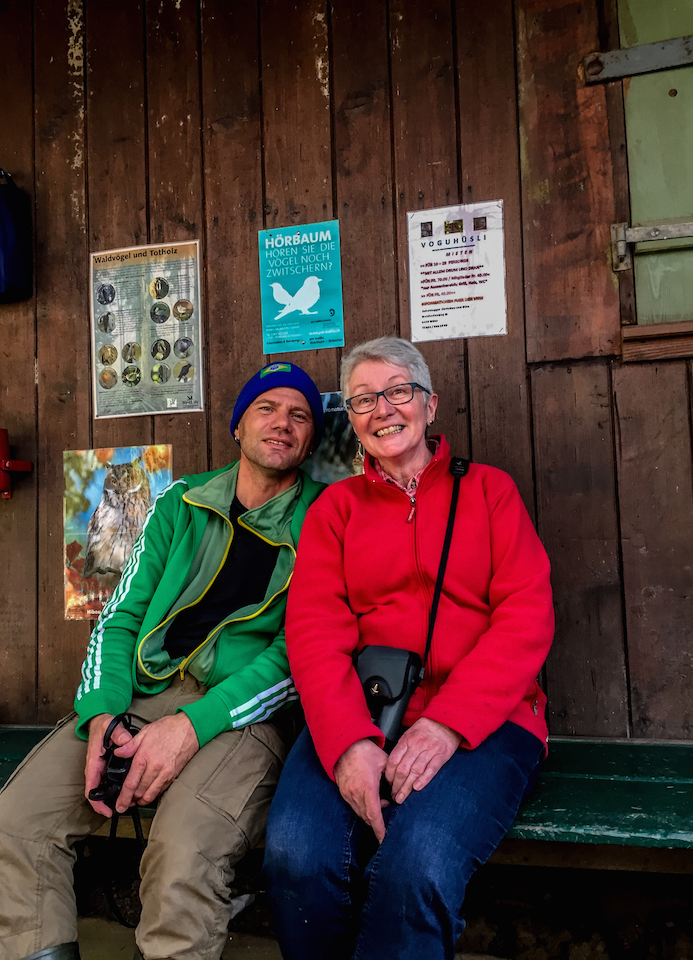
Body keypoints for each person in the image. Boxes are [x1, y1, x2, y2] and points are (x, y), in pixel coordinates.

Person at [0, 361, 326, 960]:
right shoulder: (180, 502)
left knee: (182, 859)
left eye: (300, 416)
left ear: (312, 439)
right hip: (139, 697)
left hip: (242, 714)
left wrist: (192, 726)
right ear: (238, 426)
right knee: (12, 832)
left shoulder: (327, 516)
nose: (282, 423)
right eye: (266, 408)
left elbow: (300, 655)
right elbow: (119, 618)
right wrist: (101, 714)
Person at [264, 337, 554, 960]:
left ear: (430, 404)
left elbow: (526, 616)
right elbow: (313, 633)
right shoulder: (336, 510)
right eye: (364, 399)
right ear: (352, 419)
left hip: (487, 719)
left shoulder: (490, 491)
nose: (383, 409)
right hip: (362, 710)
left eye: (398, 391)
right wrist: (348, 742)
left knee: (414, 867)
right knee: (295, 856)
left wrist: (448, 724)